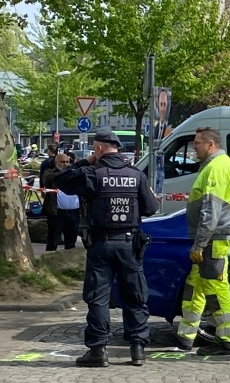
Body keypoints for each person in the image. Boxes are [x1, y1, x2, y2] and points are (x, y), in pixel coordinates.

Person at [53, 131, 160, 368]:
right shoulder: (136, 175)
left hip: (101, 244)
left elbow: (61, 181)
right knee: (135, 296)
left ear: (99, 149)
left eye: (94, 150)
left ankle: (98, 350)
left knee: (98, 297)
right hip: (129, 244)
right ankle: (137, 349)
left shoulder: (93, 173)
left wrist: (85, 162)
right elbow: (151, 208)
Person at [173, 127, 230, 356]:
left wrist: (200, 243)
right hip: (213, 237)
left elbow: (211, 210)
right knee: (196, 286)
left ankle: (226, 340)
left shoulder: (217, 168)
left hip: (214, 238)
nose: (194, 149)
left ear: (210, 144)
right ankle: (186, 337)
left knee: (215, 288)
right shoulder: (221, 165)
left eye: (197, 144)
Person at [42, 153, 81, 251]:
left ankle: (70, 263)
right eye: (62, 162)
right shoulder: (49, 172)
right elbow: (47, 179)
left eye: (67, 162)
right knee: (53, 240)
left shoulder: (74, 172)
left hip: (74, 212)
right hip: (56, 213)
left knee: (71, 242)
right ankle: (48, 260)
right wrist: (65, 172)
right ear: (56, 162)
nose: (65, 164)